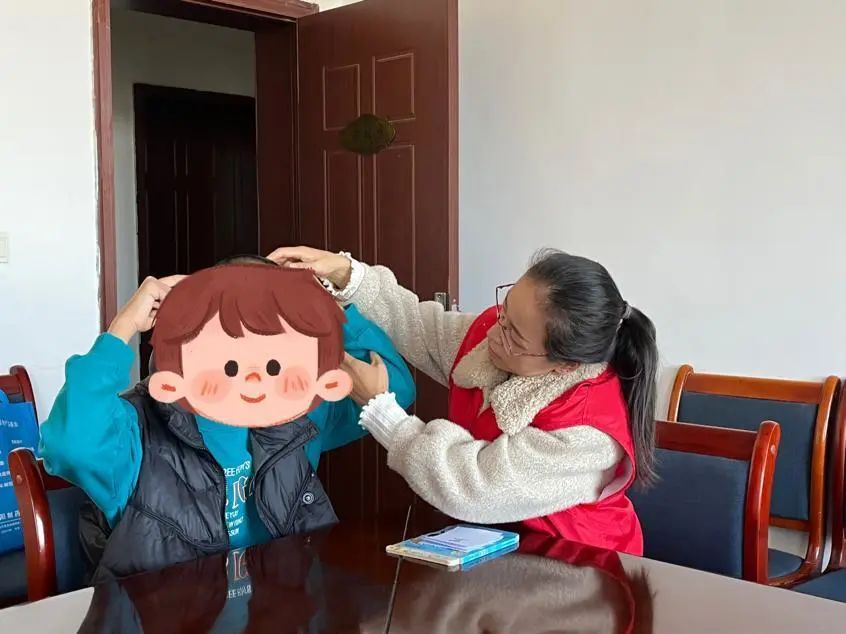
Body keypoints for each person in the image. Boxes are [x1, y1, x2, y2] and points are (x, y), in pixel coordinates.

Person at [40, 258, 415, 581]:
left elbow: (391, 390)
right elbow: (70, 444)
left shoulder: (300, 411)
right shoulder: (138, 429)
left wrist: (328, 305)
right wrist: (123, 327)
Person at [268, 246, 658, 555]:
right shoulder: (496, 334)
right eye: (504, 309)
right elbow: (417, 325)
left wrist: (381, 410)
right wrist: (347, 273)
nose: (494, 332)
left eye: (514, 335)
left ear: (565, 365)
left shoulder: (588, 432)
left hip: (579, 569)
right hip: (494, 547)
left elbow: (474, 487)